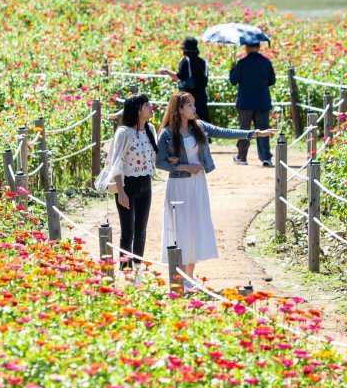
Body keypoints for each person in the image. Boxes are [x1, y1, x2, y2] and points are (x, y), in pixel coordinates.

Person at [155, 91, 273, 286]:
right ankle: (179, 276)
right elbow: (159, 162)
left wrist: (254, 134)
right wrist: (184, 166)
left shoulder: (199, 127)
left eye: (194, 104)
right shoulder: (167, 134)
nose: (194, 109)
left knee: (194, 227)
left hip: (198, 183)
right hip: (179, 184)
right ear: (179, 109)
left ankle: (189, 277)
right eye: (190, 105)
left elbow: (224, 132)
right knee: (181, 229)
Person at [97, 94, 158, 270]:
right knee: (128, 231)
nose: (150, 107)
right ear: (138, 110)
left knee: (141, 230)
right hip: (127, 186)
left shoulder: (150, 129)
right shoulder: (123, 132)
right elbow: (116, 162)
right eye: (146, 104)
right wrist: (121, 191)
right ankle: (125, 269)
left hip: (146, 183)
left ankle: (138, 267)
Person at [229, 41, 276, 167]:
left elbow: (233, 80)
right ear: (259, 47)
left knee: (244, 130)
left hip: (245, 102)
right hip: (262, 101)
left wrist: (233, 69)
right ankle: (265, 157)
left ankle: (242, 157)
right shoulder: (266, 62)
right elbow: (272, 81)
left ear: (247, 47)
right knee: (263, 129)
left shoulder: (242, 63)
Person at [174, 37, 210, 122]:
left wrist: (166, 72)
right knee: (202, 120)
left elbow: (180, 76)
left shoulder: (186, 60)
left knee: (189, 121)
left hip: (189, 97)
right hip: (202, 96)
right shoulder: (203, 62)